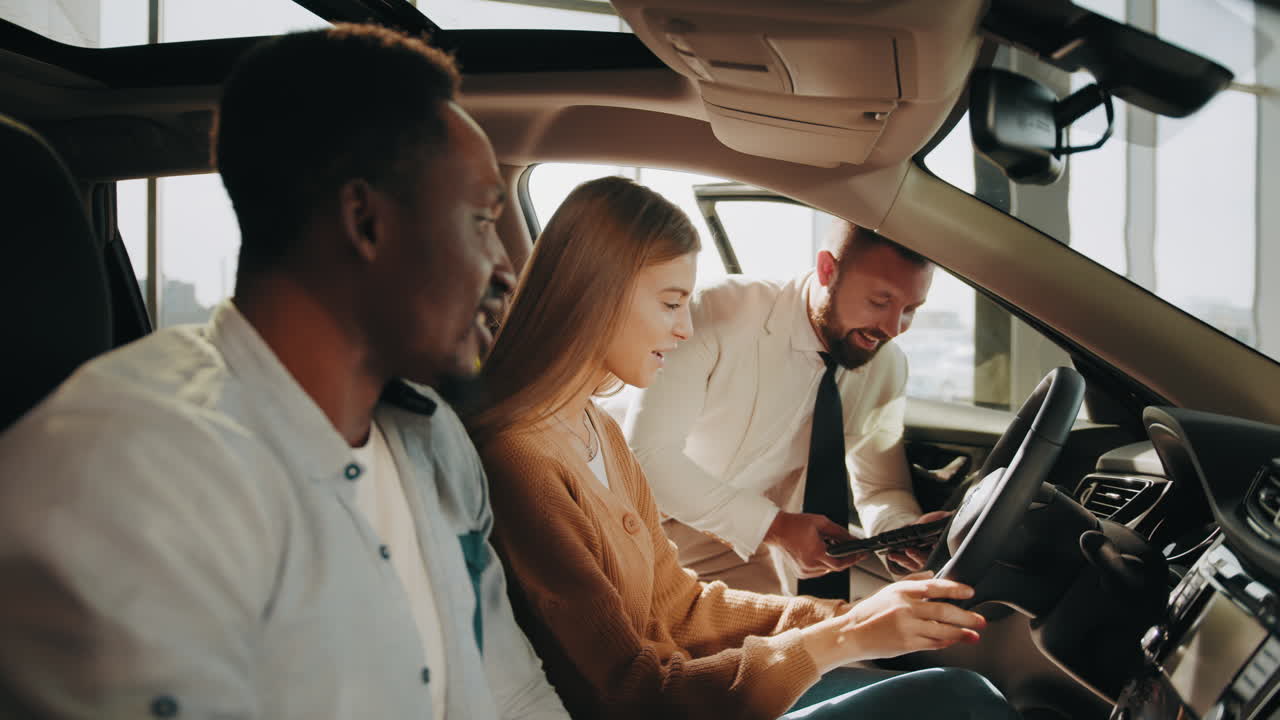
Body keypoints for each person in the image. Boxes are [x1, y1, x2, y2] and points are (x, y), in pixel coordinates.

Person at [0, 25, 569, 720]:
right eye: (482, 221)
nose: (507, 269)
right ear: (365, 221)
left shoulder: (435, 440)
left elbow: (511, 695)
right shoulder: (128, 479)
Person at [465, 176, 1019, 720]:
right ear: (597, 294)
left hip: (707, 638)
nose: (683, 328)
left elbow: (678, 607)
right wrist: (840, 632)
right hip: (682, 628)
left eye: (912, 310)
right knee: (962, 701)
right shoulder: (524, 462)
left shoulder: (594, 428)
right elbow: (631, 691)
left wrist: (852, 616)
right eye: (670, 303)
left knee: (955, 690)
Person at [624, 222, 944, 597]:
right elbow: (645, 458)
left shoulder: (886, 366)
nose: (893, 327)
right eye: (880, 302)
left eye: (911, 310)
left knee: (796, 650)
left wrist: (901, 531)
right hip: (629, 519)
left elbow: (881, 487)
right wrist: (775, 527)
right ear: (828, 270)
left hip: (733, 544)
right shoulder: (715, 311)